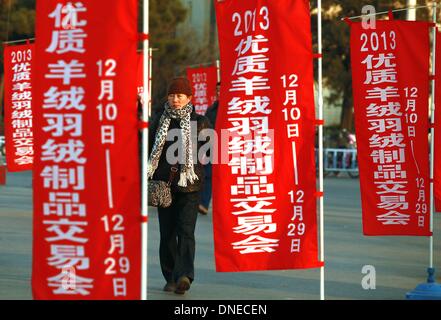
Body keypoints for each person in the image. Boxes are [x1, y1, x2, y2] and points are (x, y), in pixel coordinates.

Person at [147, 77, 210, 295]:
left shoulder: (200, 122)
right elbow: (147, 151)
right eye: (172, 95)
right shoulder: (157, 120)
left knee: (185, 230)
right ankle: (170, 276)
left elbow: (212, 152)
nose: (175, 100)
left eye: (179, 96)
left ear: (189, 98)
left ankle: (184, 276)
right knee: (166, 234)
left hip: (190, 186)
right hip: (164, 186)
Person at [198, 82, 220, 215]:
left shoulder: (233, 108)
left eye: (221, 90)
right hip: (212, 146)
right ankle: (204, 204)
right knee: (208, 175)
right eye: (217, 89)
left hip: (229, 146)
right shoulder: (211, 109)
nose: (219, 92)